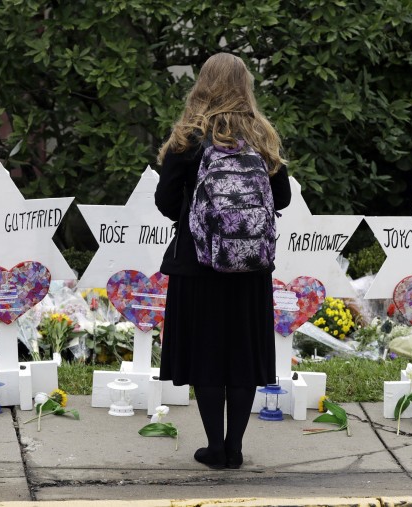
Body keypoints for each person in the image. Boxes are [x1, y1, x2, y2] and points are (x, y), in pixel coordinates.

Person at [154, 53, 291, 470]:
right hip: (250, 269)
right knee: (243, 356)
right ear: (244, 86)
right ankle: (235, 447)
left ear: (202, 85)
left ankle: (214, 447)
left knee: (208, 355)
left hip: (199, 266)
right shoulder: (261, 135)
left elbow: (164, 202)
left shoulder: (189, 137)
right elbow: (282, 198)